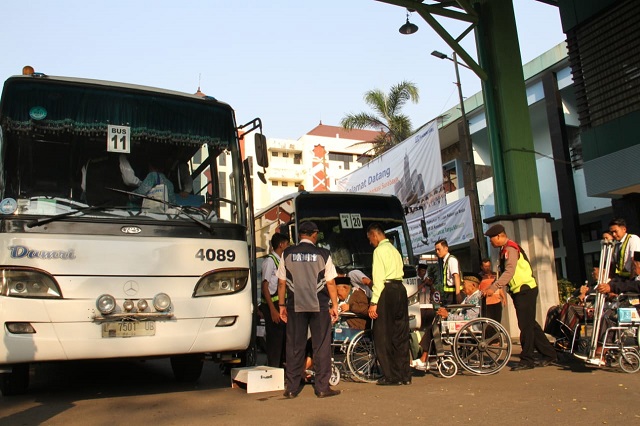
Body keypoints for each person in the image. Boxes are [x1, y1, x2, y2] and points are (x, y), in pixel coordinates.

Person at [277, 221, 340, 399]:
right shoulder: (323, 254)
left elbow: (281, 283)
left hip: (295, 305)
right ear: (314, 234)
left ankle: (291, 388)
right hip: (319, 306)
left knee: (295, 347)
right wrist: (334, 305)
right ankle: (322, 388)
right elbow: (330, 283)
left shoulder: (287, 253)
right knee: (320, 347)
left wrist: (282, 306)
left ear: (299, 235)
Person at [481, 224, 557, 371]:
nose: (491, 242)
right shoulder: (504, 250)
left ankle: (527, 359)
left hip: (525, 289)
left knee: (525, 326)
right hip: (519, 291)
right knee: (530, 324)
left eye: (491, 239)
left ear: (499, 236)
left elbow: (509, 272)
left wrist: (493, 288)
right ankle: (549, 354)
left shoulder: (510, 248)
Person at [366, 223, 411, 386]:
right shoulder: (394, 250)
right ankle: (405, 375)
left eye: (370, 238)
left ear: (375, 235)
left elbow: (378, 279)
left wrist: (373, 302)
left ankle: (391, 375)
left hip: (386, 291)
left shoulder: (379, 251)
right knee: (400, 333)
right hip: (400, 289)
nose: (370, 242)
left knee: (383, 335)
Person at [411, 276, 482, 370]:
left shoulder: (476, 298)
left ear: (473, 285)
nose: (461, 287)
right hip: (462, 324)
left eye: (464, 284)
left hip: (469, 326)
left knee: (435, 328)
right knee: (435, 324)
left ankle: (425, 358)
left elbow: (468, 318)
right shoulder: (469, 297)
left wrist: (448, 315)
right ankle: (430, 358)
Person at [259, 232, 290, 368]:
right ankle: (273, 368)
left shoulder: (281, 260)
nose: (288, 247)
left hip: (281, 304)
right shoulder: (270, 261)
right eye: (287, 244)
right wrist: (272, 310)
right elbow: (264, 286)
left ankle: (281, 367)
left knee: (283, 338)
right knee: (275, 340)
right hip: (272, 305)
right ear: (281, 244)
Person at [478, 258, 506, 324]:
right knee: (489, 323)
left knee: (498, 321)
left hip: (497, 301)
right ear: (482, 267)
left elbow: (499, 287)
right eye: (485, 266)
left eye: (489, 266)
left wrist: (503, 297)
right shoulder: (479, 277)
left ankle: (497, 334)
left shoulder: (495, 275)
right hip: (487, 303)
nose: (487, 268)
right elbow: (478, 290)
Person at [435, 239, 462, 305]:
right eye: (436, 250)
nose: (437, 252)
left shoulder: (451, 260)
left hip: (454, 293)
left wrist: (458, 294)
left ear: (446, 248)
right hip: (449, 294)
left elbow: (456, 276)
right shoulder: (445, 261)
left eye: (439, 249)